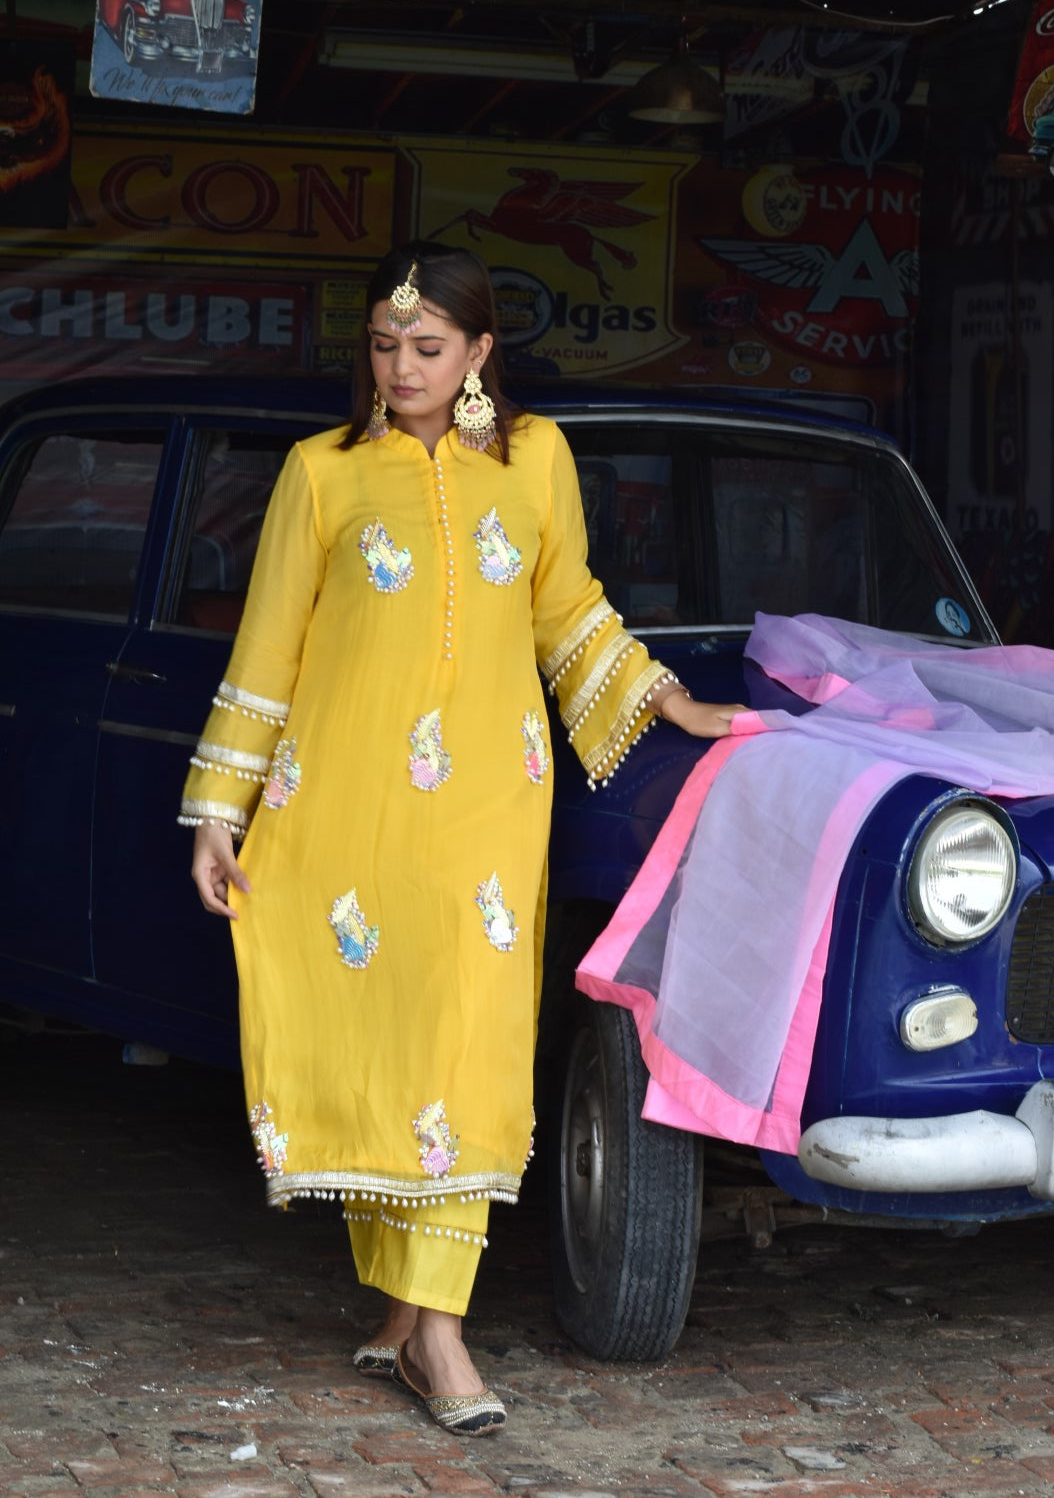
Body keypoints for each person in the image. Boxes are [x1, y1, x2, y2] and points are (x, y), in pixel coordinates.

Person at [181, 242, 743, 1436]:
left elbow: (566, 604)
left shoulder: (534, 459)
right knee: (387, 1031)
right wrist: (218, 815)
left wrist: (669, 699)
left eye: (428, 348)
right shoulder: (321, 474)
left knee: (464, 1040)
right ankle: (401, 1315)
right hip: (343, 806)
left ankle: (439, 1334)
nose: (402, 368)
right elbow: (267, 647)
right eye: (385, 347)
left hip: (489, 800)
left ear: (482, 351)